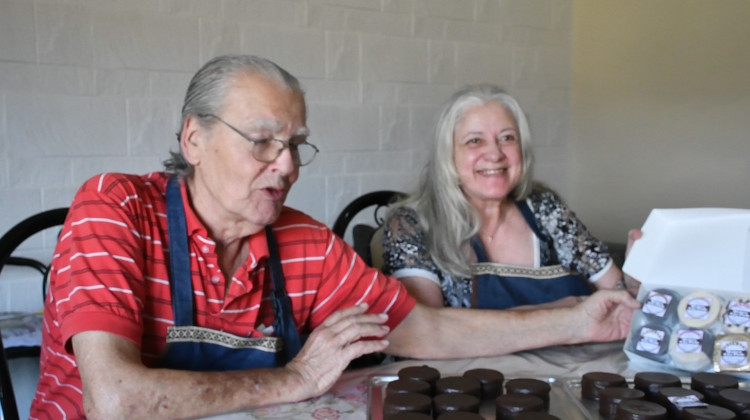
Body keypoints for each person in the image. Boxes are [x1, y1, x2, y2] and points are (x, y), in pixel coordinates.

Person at [30, 55, 638, 419]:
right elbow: (115, 399)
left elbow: (423, 329)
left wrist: (581, 322)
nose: (288, 165)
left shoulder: (304, 242)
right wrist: (296, 378)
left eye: (295, 145)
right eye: (263, 141)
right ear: (194, 139)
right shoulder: (115, 207)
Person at [382, 84, 641, 310]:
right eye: (475, 141)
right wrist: (562, 312)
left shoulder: (545, 208)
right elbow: (428, 333)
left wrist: (634, 281)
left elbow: (619, 297)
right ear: (448, 154)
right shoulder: (411, 224)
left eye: (507, 138)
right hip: (470, 368)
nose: (495, 154)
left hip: (569, 364)